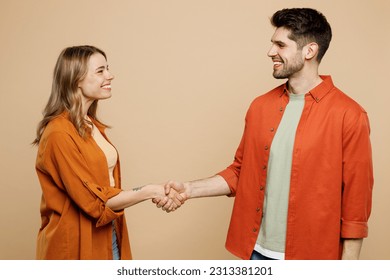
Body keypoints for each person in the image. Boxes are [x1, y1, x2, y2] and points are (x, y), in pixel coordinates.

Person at [154, 8, 373, 260]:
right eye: (272, 44)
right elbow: (240, 172)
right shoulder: (260, 106)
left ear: (309, 51)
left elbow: (356, 201)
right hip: (255, 252)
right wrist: (189, 189)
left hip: (313, 257)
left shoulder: (349, 114)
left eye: (280, 45)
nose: (271, 52)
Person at [33, 45, 184, 260]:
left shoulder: (90, 125)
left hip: (109, 234)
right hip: (75, 248)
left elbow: (106, 189)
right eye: (100, 70)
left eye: (108, 69)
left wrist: (151, 190)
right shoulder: (58, 133)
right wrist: (150, 191)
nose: (110, 76)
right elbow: (94, 202)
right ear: (76, 78)